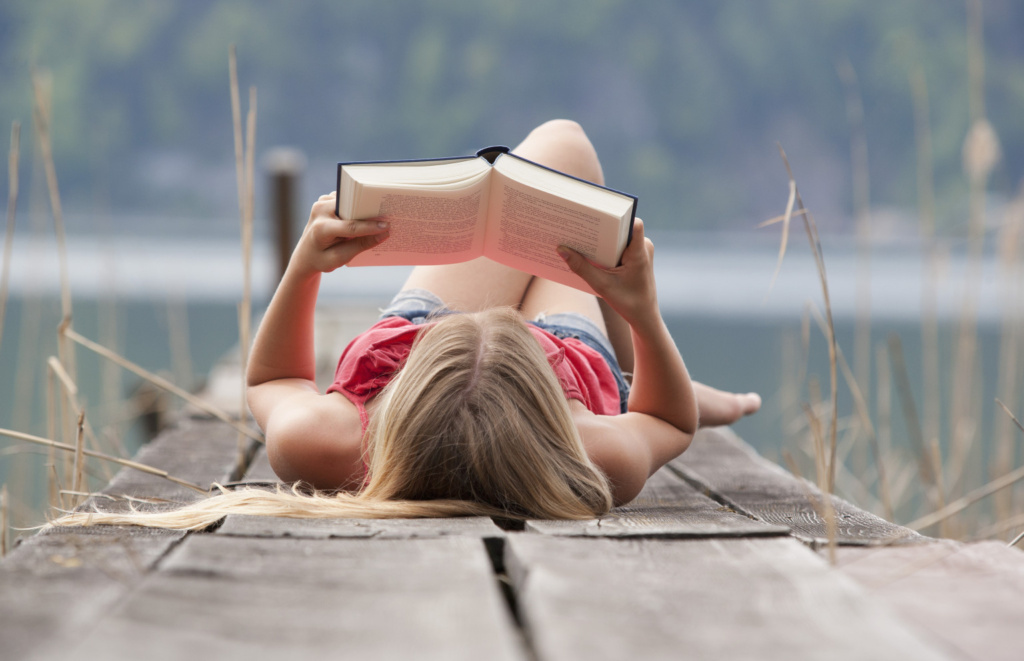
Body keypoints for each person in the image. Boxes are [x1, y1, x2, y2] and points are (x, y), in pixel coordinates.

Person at [56, 119, 760, 529]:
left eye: (436, 330)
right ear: (555, 409)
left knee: (556, 169)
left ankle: (619, 360)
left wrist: (305, 267)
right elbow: (668, 423)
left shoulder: (329, 440)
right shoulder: (585, 446)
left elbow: (272, 375)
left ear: (399, 384)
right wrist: (641, 309)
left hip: (486, 372)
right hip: (570, 360)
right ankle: (637, 367)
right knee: (564, 148)